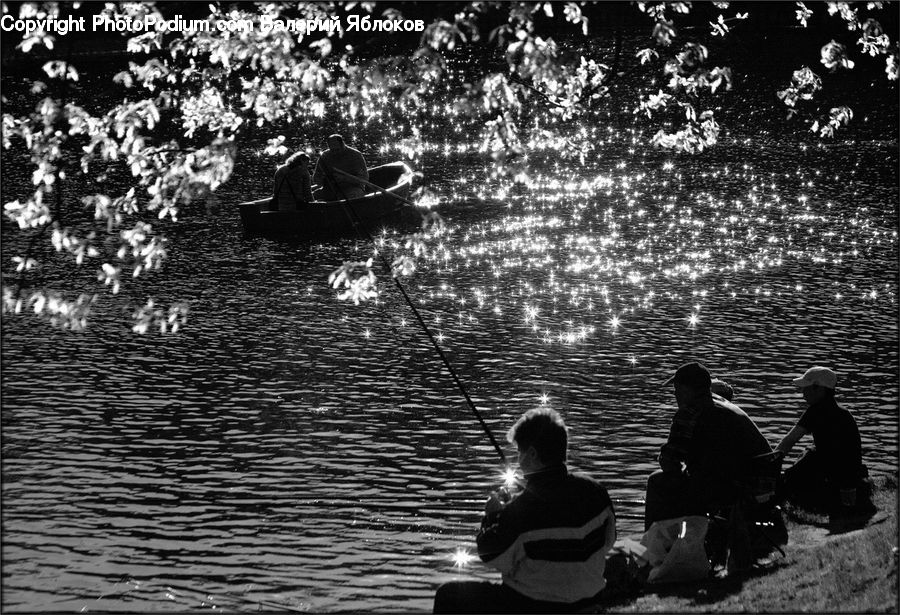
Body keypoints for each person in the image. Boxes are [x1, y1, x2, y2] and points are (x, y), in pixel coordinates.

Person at [433, 408, 617, 613]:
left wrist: (492, 515)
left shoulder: (519, 511)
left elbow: (490, 557)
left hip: (533, 605)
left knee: (448, 595)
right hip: (588, 601)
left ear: (532, 454)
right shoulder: (597, 493)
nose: (518, 461)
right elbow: (608, 543)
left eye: (519, 452)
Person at [644, 362, 773, 530]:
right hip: (762, 485)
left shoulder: (690, 411)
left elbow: (669, 462)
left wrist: (675, 463)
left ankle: (654, 547)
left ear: (686, 390)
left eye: (676, 389)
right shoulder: (728, 406)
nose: (675, 394)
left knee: (657, 481)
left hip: (729, 489)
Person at [776, 366, 873, 515]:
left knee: (785, 481)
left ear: (818, 389)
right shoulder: (845, 414)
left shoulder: (815, 412)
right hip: (851, 476)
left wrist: (771, 461)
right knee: (811, 450)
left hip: (831, 476)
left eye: (806, 388)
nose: (803, 393)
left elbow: (789, 441)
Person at [312, 134, 368, 200]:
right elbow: (316, 178)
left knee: (352, 196)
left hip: (352, 188)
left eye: (337, 150)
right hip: (332, 189)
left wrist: (344, 179)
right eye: (332, 150)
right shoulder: (325, 156)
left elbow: (364, 178)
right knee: (312, 196)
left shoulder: (355, 155)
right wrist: (326, 180)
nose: (335, 153)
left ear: (343, 145)